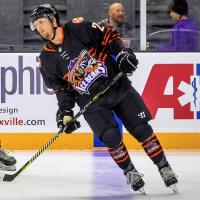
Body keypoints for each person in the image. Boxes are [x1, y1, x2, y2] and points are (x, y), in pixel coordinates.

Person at [29, 3, 178, 192]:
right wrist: (65, 111)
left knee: (142, 130)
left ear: (54, 20)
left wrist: (122, 53)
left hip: (117, 86)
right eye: (36, 25)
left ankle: (164, 167)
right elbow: (62, 89)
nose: (39, 27)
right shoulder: (46, 60)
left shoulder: (78, 28)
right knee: (111, 137)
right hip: (92, 103)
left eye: (42, 22)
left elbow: (108, 36)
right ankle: (129, 171)